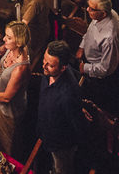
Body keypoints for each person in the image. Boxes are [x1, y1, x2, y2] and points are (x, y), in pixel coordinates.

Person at [37, 41, 86, 174]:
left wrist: (78, 108)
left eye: (50, 65)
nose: (44, 66)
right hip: (46, 133)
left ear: (63, 68)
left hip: (61, 145)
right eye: (44, 60)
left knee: (61, 169)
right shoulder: (48, 74)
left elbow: (77, 126)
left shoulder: (68, 95)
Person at [0, 20, 31, 159]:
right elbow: (1, 66)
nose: (4, 39)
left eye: (9, 37)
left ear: (18, 42)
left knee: (7, 147)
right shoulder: (10, 50)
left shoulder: (19, 69)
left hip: (9, 113)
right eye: (6, 35)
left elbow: (6, 97)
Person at [77, 0, 119, 100]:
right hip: (89, 59)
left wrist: (86, 68)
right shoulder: (100, 15)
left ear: (103, 13)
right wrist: (82, 46)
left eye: (91, 9)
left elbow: (105, 69)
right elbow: (90, 30)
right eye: (88, 6)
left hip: (98, 76)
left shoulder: (109, 38)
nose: (87, 9)